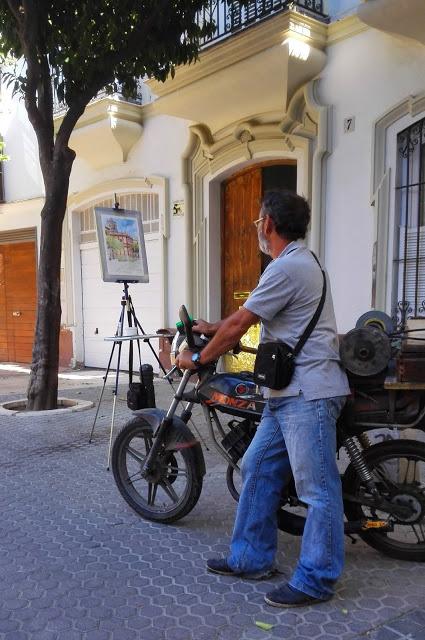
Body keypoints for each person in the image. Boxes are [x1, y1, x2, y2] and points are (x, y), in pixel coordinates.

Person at [176, 190, 350, 608]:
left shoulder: (287, 267)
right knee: (256, 466)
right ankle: (251, 558)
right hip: (286, 393)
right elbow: (247, 316)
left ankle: (316, 579)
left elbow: (241, 324)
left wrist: (198, 356)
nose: (256, 227)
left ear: (268, 223)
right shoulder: (295, 265)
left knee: (318, 489)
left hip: (307, 393)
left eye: (257, 221)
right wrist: (212, 325)